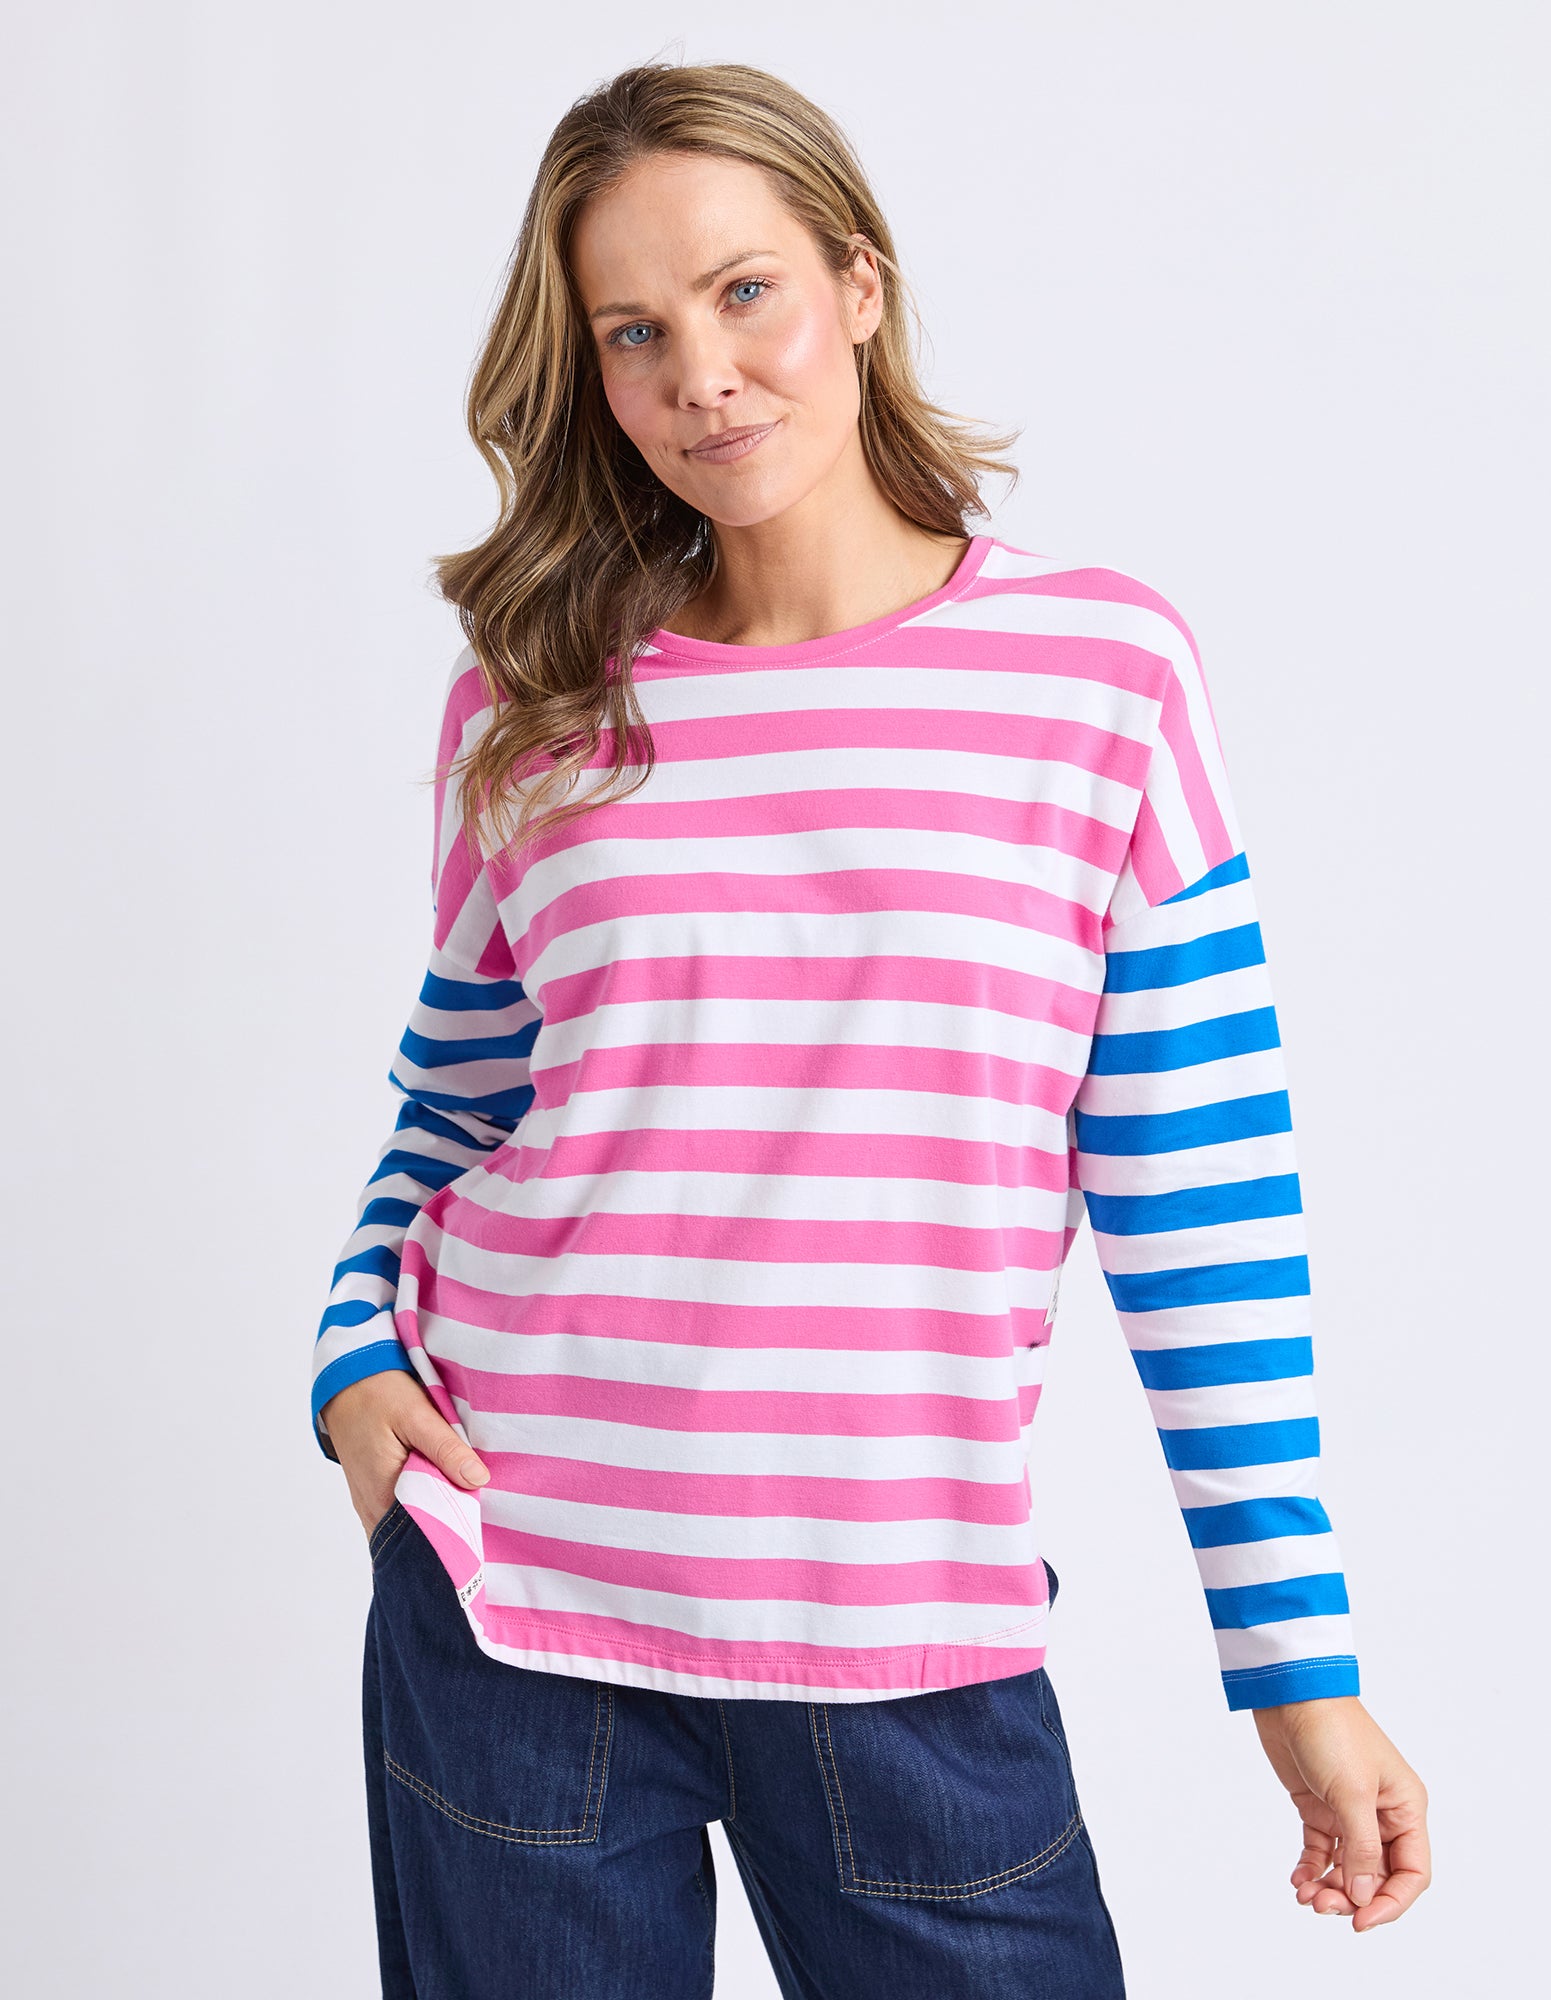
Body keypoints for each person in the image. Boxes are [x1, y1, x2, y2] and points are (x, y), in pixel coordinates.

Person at [310, 59, 1430, 1998]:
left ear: (858, 283)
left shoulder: (1101, 677)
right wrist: (347, 1356)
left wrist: (1297, 1671)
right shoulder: (532, 702)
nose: (701, 374)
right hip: (514, 1602)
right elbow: (455, 1110)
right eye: (634, 333)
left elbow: (1201, 1211)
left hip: (908, 1634)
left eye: (743, 292)